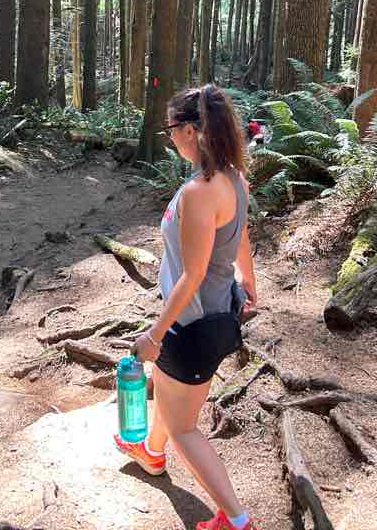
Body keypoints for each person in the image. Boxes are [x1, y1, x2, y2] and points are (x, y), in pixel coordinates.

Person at [114, 84, 259, 530]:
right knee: (168, 392)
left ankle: (236, 520)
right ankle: (149, 453)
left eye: (172, 128)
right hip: (217, 314)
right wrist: (250, 283)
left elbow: (190, 275)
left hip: (191, 325)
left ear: (194, 131)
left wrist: (153, 335)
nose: (169, 136)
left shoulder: (200, 191)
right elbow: (240, 237)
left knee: (185, 428)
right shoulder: (233, 177)